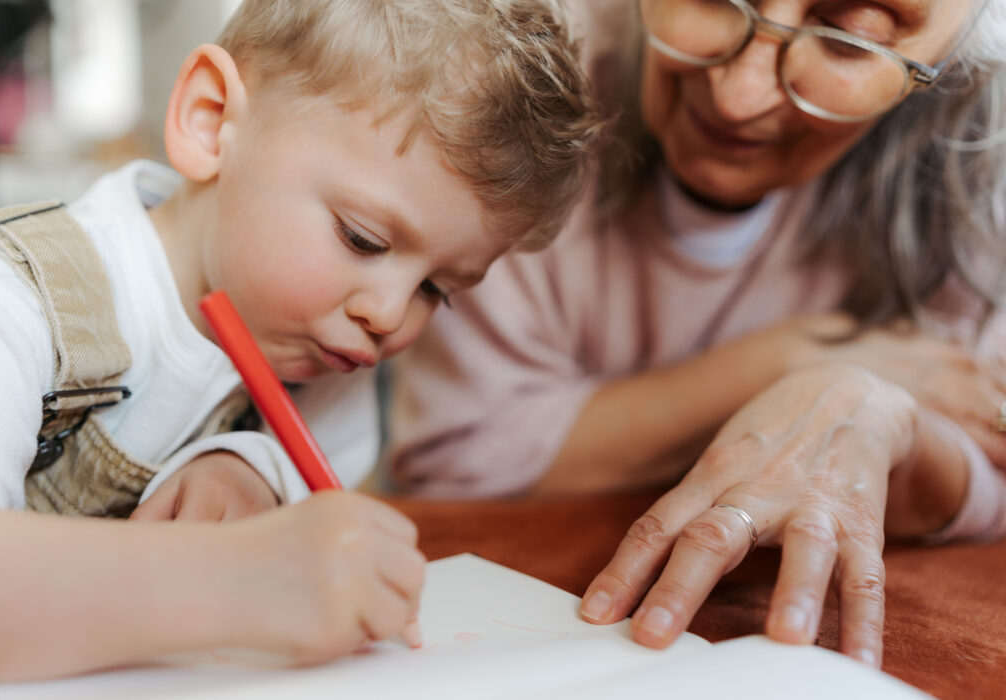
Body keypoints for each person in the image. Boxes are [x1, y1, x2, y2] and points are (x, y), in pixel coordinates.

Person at [0, 0, 601, 681]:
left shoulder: (327, 356)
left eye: (437, 288)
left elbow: (323, 511)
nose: (390, 316)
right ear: (211, 120)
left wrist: (253, 469)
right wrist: (229, 578)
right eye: (362, 239)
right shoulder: (13, 300)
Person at [388, 0, 1006, 669]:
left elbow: (991, 452)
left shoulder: (979, 162)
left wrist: (876, 410)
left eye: (848, 42)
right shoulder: (525, 70)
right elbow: (452, 460)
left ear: (945, 65)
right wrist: (790, 361)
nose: (737, 97)